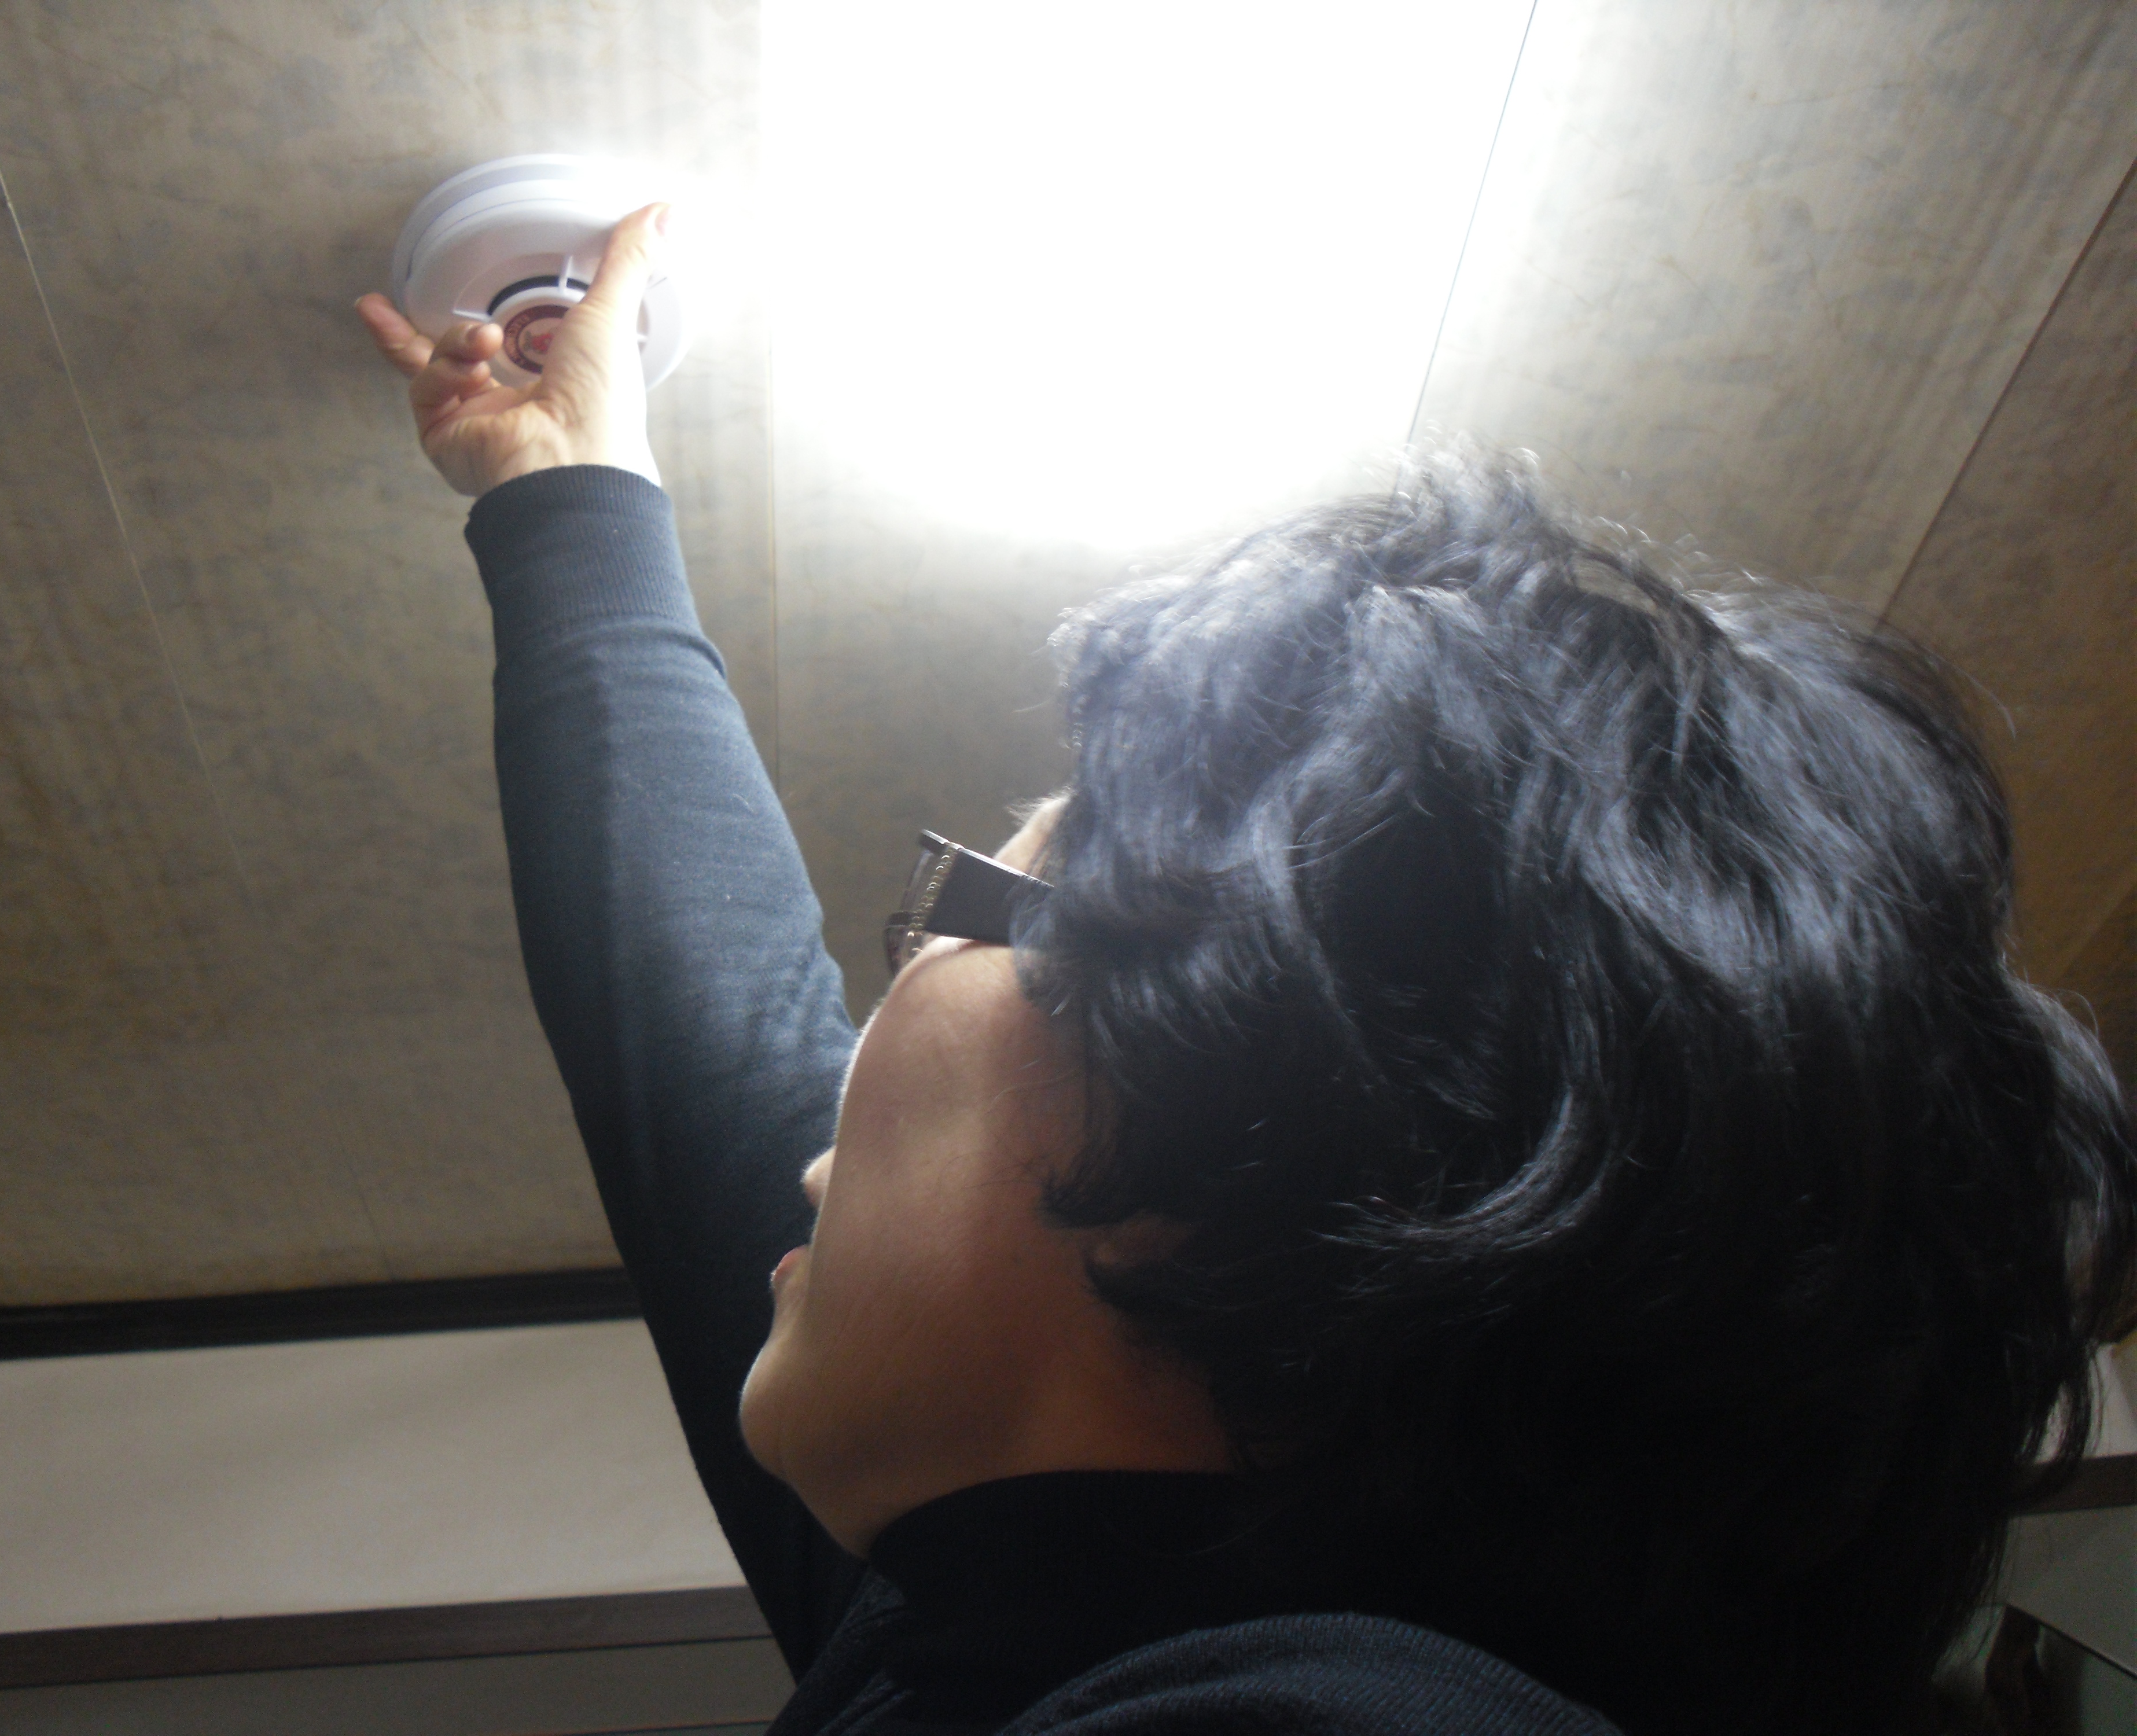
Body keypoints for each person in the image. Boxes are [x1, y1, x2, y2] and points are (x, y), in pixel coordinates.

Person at [356, 207, 2135, 1735]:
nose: (868, 1038)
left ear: (1262, 1118)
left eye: (982, 901)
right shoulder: (1050, 1600)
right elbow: (708, 1046)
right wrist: (566, 493)